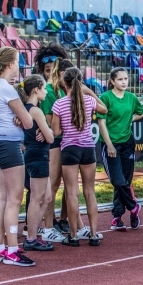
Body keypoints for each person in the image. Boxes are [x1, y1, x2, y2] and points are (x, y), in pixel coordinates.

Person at [0, 47, 35, 267]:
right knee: (15, 199)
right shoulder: (6, 88)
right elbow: (28, 122)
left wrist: (17, 117)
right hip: (9, 145)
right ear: (10, 64)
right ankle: (12, 250)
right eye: (17, 63)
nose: (19, 67)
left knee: (4, 198)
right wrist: (19, 117)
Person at [52, 67, 108, 246]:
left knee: (72, 193)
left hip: (69, 148)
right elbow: (104, 109)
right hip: (88, 148)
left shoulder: (59, 104)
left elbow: (56, 131)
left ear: (65, 83)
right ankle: (93, 234)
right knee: (89, 192)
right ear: (81, 81)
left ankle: (73, 235)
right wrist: (90, 92)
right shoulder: (89, 101)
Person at [97, 68, 143, 231]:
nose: (124, 82)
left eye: (126, 79)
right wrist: (109, 145)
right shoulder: (105, 97)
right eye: (120, 79)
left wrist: (130, 119)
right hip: (110, 144)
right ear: (112, 81)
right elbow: (101, 123)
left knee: (126, 180)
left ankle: (118, 217)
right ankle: (133, 206)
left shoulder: (131, 97)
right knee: (117, 180)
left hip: (127, 143)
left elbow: (141, 112)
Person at [15, 74, 56, 251]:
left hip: (36, 154)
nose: (46, 92)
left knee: (46, 197)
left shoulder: (24, 110)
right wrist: (47, 132)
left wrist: (45, 132)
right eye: (44, 88)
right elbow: (50, 137)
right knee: (37, 198)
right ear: (35, 90)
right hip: (38, 155)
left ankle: (33, 233)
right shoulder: (35, 111)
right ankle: (31, 238)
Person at [36, 48, 73, 236]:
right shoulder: (49, 91)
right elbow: (51, 123)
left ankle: (64, 220)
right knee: (53, 184)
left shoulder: (68, 89)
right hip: (56, 141)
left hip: (69, 140)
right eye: (48, 70)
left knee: (70, 184)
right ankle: (48, 225)